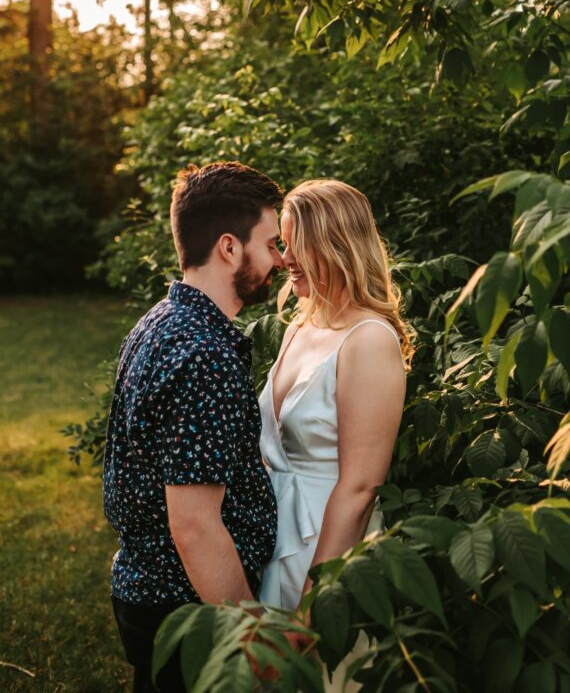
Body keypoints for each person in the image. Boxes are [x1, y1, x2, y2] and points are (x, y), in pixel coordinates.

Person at [103, 161, 284, 693]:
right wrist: (253, 636)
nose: (279, 259)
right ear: (229, 248)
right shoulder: (203, 353)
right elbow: (195, 525)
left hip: (152, 588)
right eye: (270, 243)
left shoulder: (159, 321)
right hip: (188, 607)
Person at [258, 179, 412, 680]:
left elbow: (362, 485)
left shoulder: (369, 340)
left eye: (296, 245)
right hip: (273, 535)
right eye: (282, 244)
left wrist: (314, 603)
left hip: (330, 543)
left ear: (336, 245)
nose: (285, 259)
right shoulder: (303, 324)